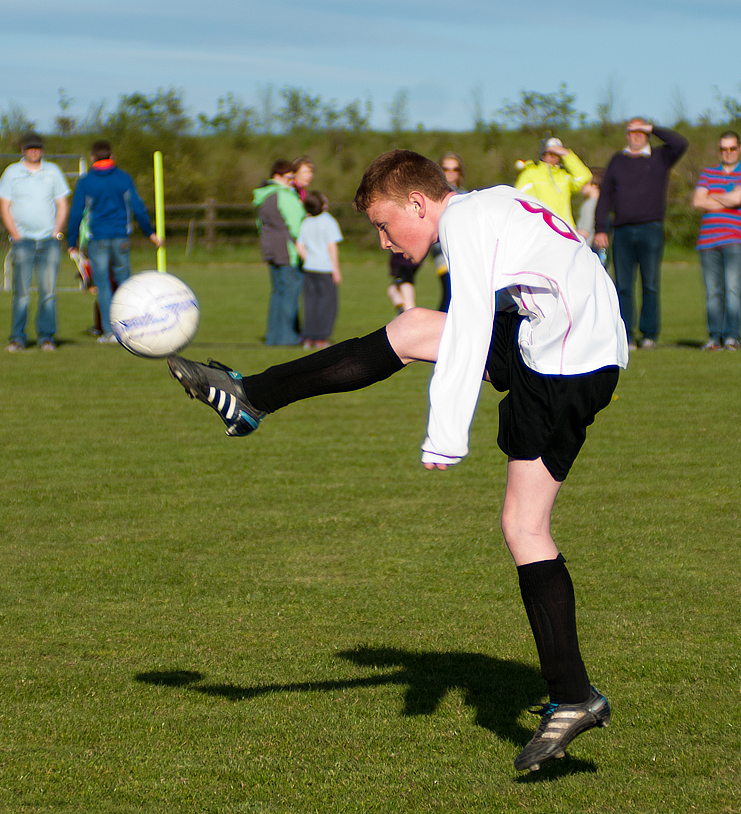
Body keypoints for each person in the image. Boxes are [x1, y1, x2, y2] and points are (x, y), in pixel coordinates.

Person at [168, 149, 628, 773]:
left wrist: (445, 435)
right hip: (562, 343)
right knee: (411, 328)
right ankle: (252, 397)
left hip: (563, 362)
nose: (385, 238)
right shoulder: (485, 204)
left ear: (418, 203)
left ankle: (573, 697)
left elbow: (468, 330)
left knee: (524, 527)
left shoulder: (464, 225)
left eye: (387, 225)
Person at [594, 118, 689, 350]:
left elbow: (681, 143)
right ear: (626, 135)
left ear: (647, 134)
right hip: (622, 231)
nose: (637, 136)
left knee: (651, 284)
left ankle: (649, 335)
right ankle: (626, 335)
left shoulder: (659, 157)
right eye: (632, 132)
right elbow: (605, 195)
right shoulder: (617, 160)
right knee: (623, 285)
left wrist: (653, 128)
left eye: (641, 132)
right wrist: (600, 229)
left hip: (651, 229)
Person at [66, 141, 161, 344]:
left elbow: (76, 213)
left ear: (92, 158)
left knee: (103, 285)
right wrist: (150, 233)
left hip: (97, 239)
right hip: (121, 238)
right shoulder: (123, 178)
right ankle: (128, 329)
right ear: (112, 156)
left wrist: (71, 241)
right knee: (125, 284)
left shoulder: (86, 181)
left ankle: (109, 332)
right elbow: (138, 207)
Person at [0, 131, 70, 352]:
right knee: (21, 294)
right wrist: (16, 236)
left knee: (48, 293)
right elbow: (4, 207)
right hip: (23, 242)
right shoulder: (12, 172)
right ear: (23, 150)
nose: (34, 151)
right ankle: (17, 338)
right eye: (30, 148)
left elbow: (62, 204)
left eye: (37, 147)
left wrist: (56, 232)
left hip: (48, 242)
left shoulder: (53, 171)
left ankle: (46, 338)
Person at [691, 131, 741, 351]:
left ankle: (732, 336)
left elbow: (737, 199)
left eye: (731, 148)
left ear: (738, 149)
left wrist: (712, 197)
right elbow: (697, 201)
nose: (727, 153)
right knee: (713, 293)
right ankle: (715, 337)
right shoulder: (709, 172)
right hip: (707, 242)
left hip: (734, 239)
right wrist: (726, 200)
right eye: (723, 149)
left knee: (733, 289)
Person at [253, 160, 306, 346]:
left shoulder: (263, 196)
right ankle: (286, 337)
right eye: (289, 178)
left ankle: (273, 336)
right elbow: (296, 225)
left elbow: (260, 225)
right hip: (287, 249)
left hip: (269, 248)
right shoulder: (283, 195)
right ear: (277, 176)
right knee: (290, 291)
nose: (292, 182)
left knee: (277, 292)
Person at [296, 191, 343, 349]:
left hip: (310, 267)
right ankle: (322, 338)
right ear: (323, 205)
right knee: (327, 303)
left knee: (310, 302)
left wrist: (308, 258)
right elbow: (332, 246)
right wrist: (335, 268)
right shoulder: (328, 221)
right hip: (325, 268)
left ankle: (308, 337)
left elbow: (299, 246)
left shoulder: (306, 222)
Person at [514, 138, 592, 227]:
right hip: (540, 229)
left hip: (564, 230)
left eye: (557, 154)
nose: (553, 156)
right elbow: (518, 200)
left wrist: (568, 154)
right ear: (543, 154)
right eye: (550, 153)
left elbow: (585, 176)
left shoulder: (564, 176)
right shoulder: (530, 174)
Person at [433, 152, 469, 312]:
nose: (450, 173)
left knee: (461, 294)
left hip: (461, 250)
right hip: (441, 249)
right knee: (449, 291)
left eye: (455, 169)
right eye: (446, 169)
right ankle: (440, 329)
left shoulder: (465, 195)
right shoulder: (433, 196)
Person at [576, 168, 607, 265]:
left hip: (589, 250)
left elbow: (583, 232)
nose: (582, 186)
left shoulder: (589, 205)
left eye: (585, 183)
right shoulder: (605, 204)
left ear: (594, 186)